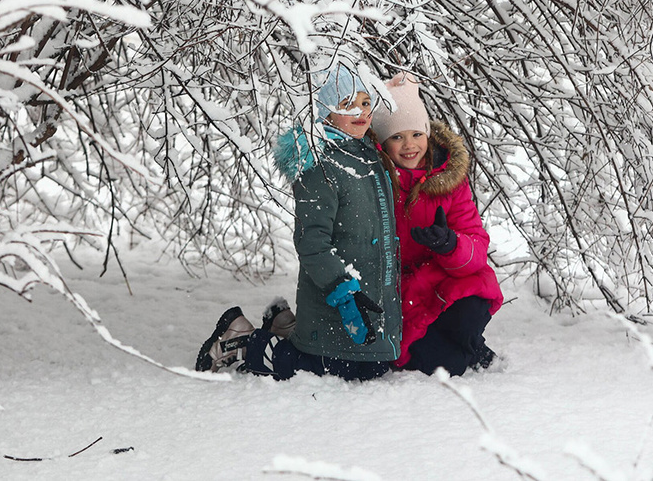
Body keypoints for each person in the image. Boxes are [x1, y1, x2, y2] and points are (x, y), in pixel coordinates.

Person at [194, 63, 401, 381]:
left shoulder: (368, 154)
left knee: (373, 366)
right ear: (326, 111)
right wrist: (343, 294)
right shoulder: (319, 165)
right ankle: (241, 341)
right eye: (348, 104)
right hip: (336, 301)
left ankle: (285, 324)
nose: (361, 112)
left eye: (365, 102)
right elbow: (312, 241)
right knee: (315, 370)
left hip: (367, 300)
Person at [370, 73, 503, 376]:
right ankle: (461, 350)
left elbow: (476, 246)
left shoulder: (449, 181)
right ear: (382, 142)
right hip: (396, 293)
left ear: (428, 134)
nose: (409, 146)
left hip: (439, 280)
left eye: (416, 134)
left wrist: (450, 244)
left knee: (473, 301)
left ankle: (464, 342)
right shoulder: (373, 182)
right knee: (445, 365)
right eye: (397, 137)